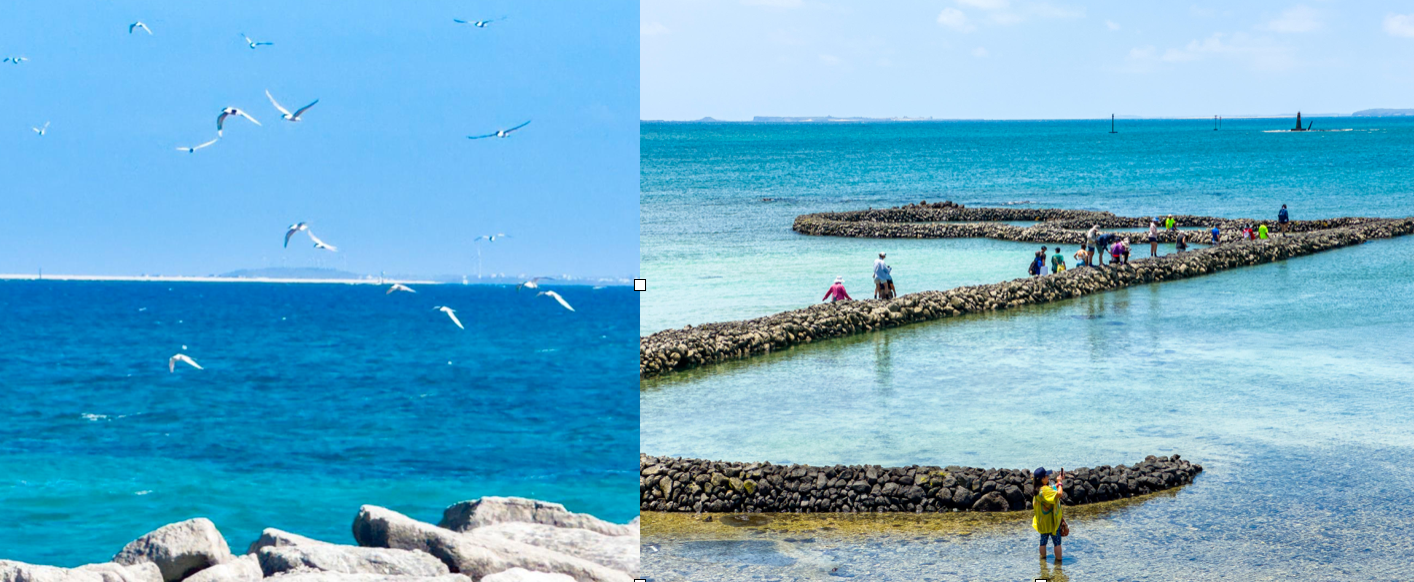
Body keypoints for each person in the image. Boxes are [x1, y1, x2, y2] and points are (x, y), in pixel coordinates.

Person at [1033, 467, 1066, 563]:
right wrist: (1060, 482)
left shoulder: (1038, 490)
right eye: (1047, 476)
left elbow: (1051, 490)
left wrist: (1058, 483)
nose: (1048, 477)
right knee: (1057, 542)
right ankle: (1059, 565)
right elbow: (1059, 493)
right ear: (1042, 479)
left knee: (1043, 541)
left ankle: (1043, 563)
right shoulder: (1045, 490)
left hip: (1042, 521)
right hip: (1051, 521)